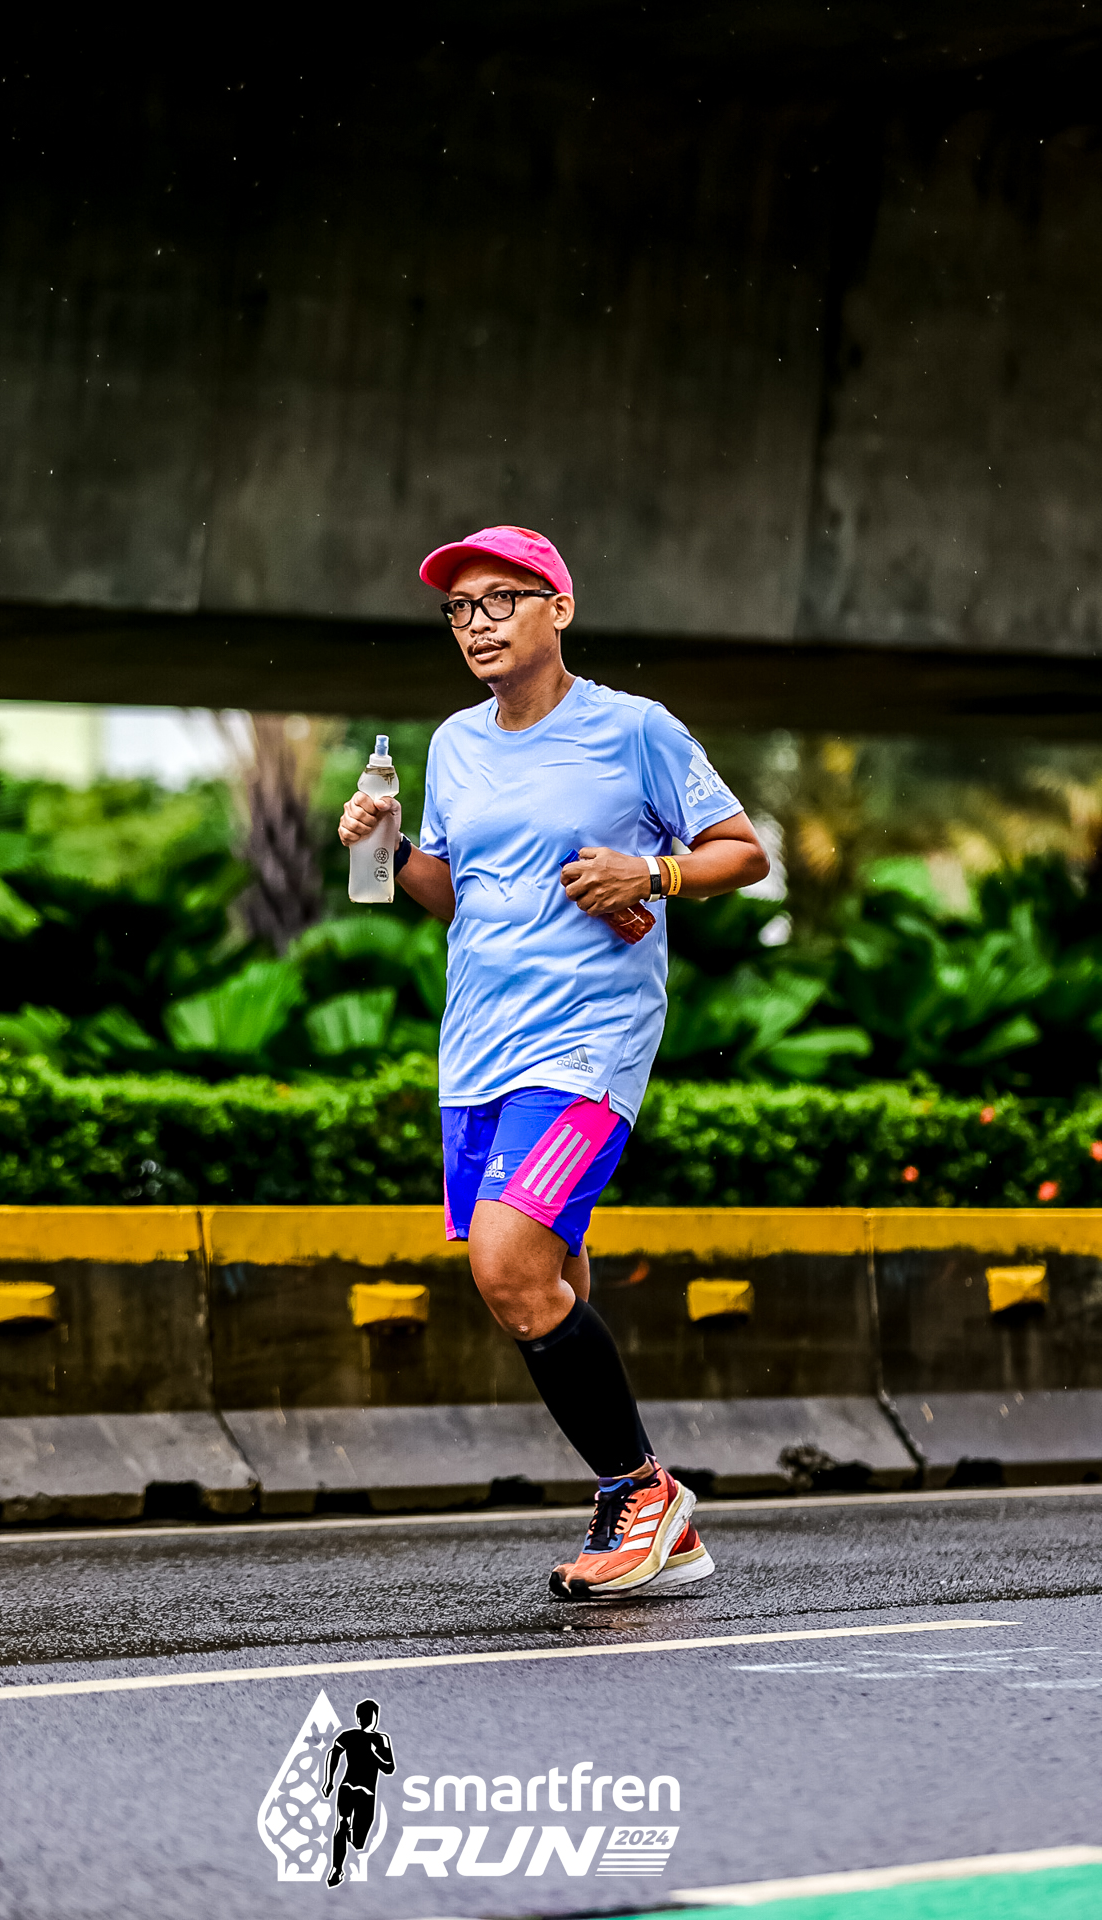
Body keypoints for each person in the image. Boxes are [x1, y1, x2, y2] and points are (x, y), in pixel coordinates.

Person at [337, 525, 769, 1600]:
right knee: (548, 1280)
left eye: (501, 599)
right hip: (477, 1052)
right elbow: (455, 894)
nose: (476, 623)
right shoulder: (454, 743)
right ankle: (643, 1518)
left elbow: (743, 852)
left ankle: (644, 1494)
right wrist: (386, 846)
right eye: (460, 608)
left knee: (506, 1267)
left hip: (585, 1045)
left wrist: (651, 874)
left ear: (558, 609)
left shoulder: (634, 729)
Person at [321, 1697, 395, 1887]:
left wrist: (373, 1754)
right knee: (342, 1824)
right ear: (358, 1717)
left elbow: (389, 1768)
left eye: (370, 1715)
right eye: (364, 1715)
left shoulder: (381, 1739)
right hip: (350, 1788)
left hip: (365, 1793)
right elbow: (333, 1753)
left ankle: (348, 1837)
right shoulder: (349, 1736)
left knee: (358, 1841)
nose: (367, 1719)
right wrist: (329, 1781)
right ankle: (337, 1868)